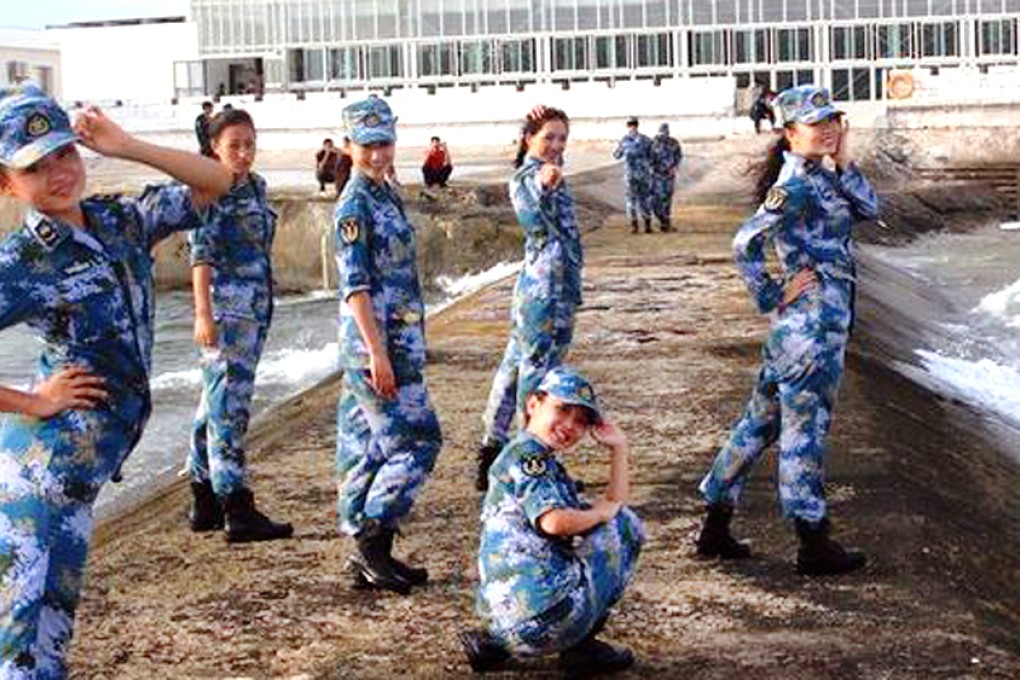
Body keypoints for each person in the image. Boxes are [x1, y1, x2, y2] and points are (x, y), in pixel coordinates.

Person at [0, 82, 231, 677]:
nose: (57, 174)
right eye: (34, 167)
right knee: (28, 647)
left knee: (51, 634)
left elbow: (217, 181)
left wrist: (126, 145)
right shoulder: (22, 263)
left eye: (64, 155)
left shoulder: (120, 222)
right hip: (43, 482)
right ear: (6, 183)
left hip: (80, 480)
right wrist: (32, 399)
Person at [695, 85, 878, 576]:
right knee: (805, 432)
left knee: (760, 424)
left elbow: (870, 208)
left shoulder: (824, 176)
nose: (827, 129)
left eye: (832, 120)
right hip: (810, 332)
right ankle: (811, 540)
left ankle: (715, 522)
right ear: (789, 132)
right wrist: (771, 293)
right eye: (815, 124)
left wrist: (844, 159)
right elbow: (744, 242)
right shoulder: (794, 183)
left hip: (807, 331)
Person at [461, 366, 643, 676]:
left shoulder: (528, 455)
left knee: (602, 516)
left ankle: (495, 644)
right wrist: (601, 513)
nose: (570, 425)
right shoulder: (530, 459)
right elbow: (555, 522)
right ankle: (580, 648)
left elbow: (611, 500)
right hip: (548, 619)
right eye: (562, 409)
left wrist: (619, 448)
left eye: (582, 420)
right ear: (533, 405)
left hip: (503, 617)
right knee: (625, 525)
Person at [334, 96, 443, 595]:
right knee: (419, 441)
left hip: (395, 340)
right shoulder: (354, 205)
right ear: (347, 145)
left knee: (364, 446)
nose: (378, 154)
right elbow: (355, 287)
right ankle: (375, 541)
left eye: (385, 142)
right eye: (368, 145)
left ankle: (366, 555)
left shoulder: (384, 192)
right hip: (377, 346)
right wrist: (378, 353)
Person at [186, 108, 293, 543]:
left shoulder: (256, 185)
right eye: (234, 145)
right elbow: (201, 256)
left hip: (254, 310)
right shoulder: (210, 190)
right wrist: (202, 314)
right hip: (226, 314)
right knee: (230, 405)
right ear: (215, 148)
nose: (244, 153)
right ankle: (235, 504)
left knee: (211, 404)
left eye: (249, 143)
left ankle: (203, 497)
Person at [476, 106, 581, 492]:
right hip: (545, 293)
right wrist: (546, 175)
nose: (555, 145)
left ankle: (492, 449)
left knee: (514, 366)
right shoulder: (530, 176)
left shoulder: (547, 168)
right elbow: (537, 185)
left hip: (551, 288)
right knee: (538, 373)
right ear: (528, 141)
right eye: (547, 137)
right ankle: (529, 455)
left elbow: (550, 167)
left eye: (561, 138)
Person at [612, 116, 654, 234]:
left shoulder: (624, 140)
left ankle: (634, 226)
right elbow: (652, 157)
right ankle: (647, 225)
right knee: (644, 199)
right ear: (637, 125)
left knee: (631, 200)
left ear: (628, 125)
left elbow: (616, 155)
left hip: (630, 175)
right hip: (644, 175)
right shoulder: (646, 140)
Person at [649, 122, 683, 232]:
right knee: (656, 199)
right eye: (663, 131)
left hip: (669, 175)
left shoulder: (674, 143)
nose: (664, 134)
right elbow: (649, 158)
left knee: (667, 199)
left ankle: (665, 223)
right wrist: (650, 169)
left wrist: (675, 167)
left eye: (666, 131)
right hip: (657, 175)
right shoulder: (653, 143)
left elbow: (678, 156)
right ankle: (662, 219)